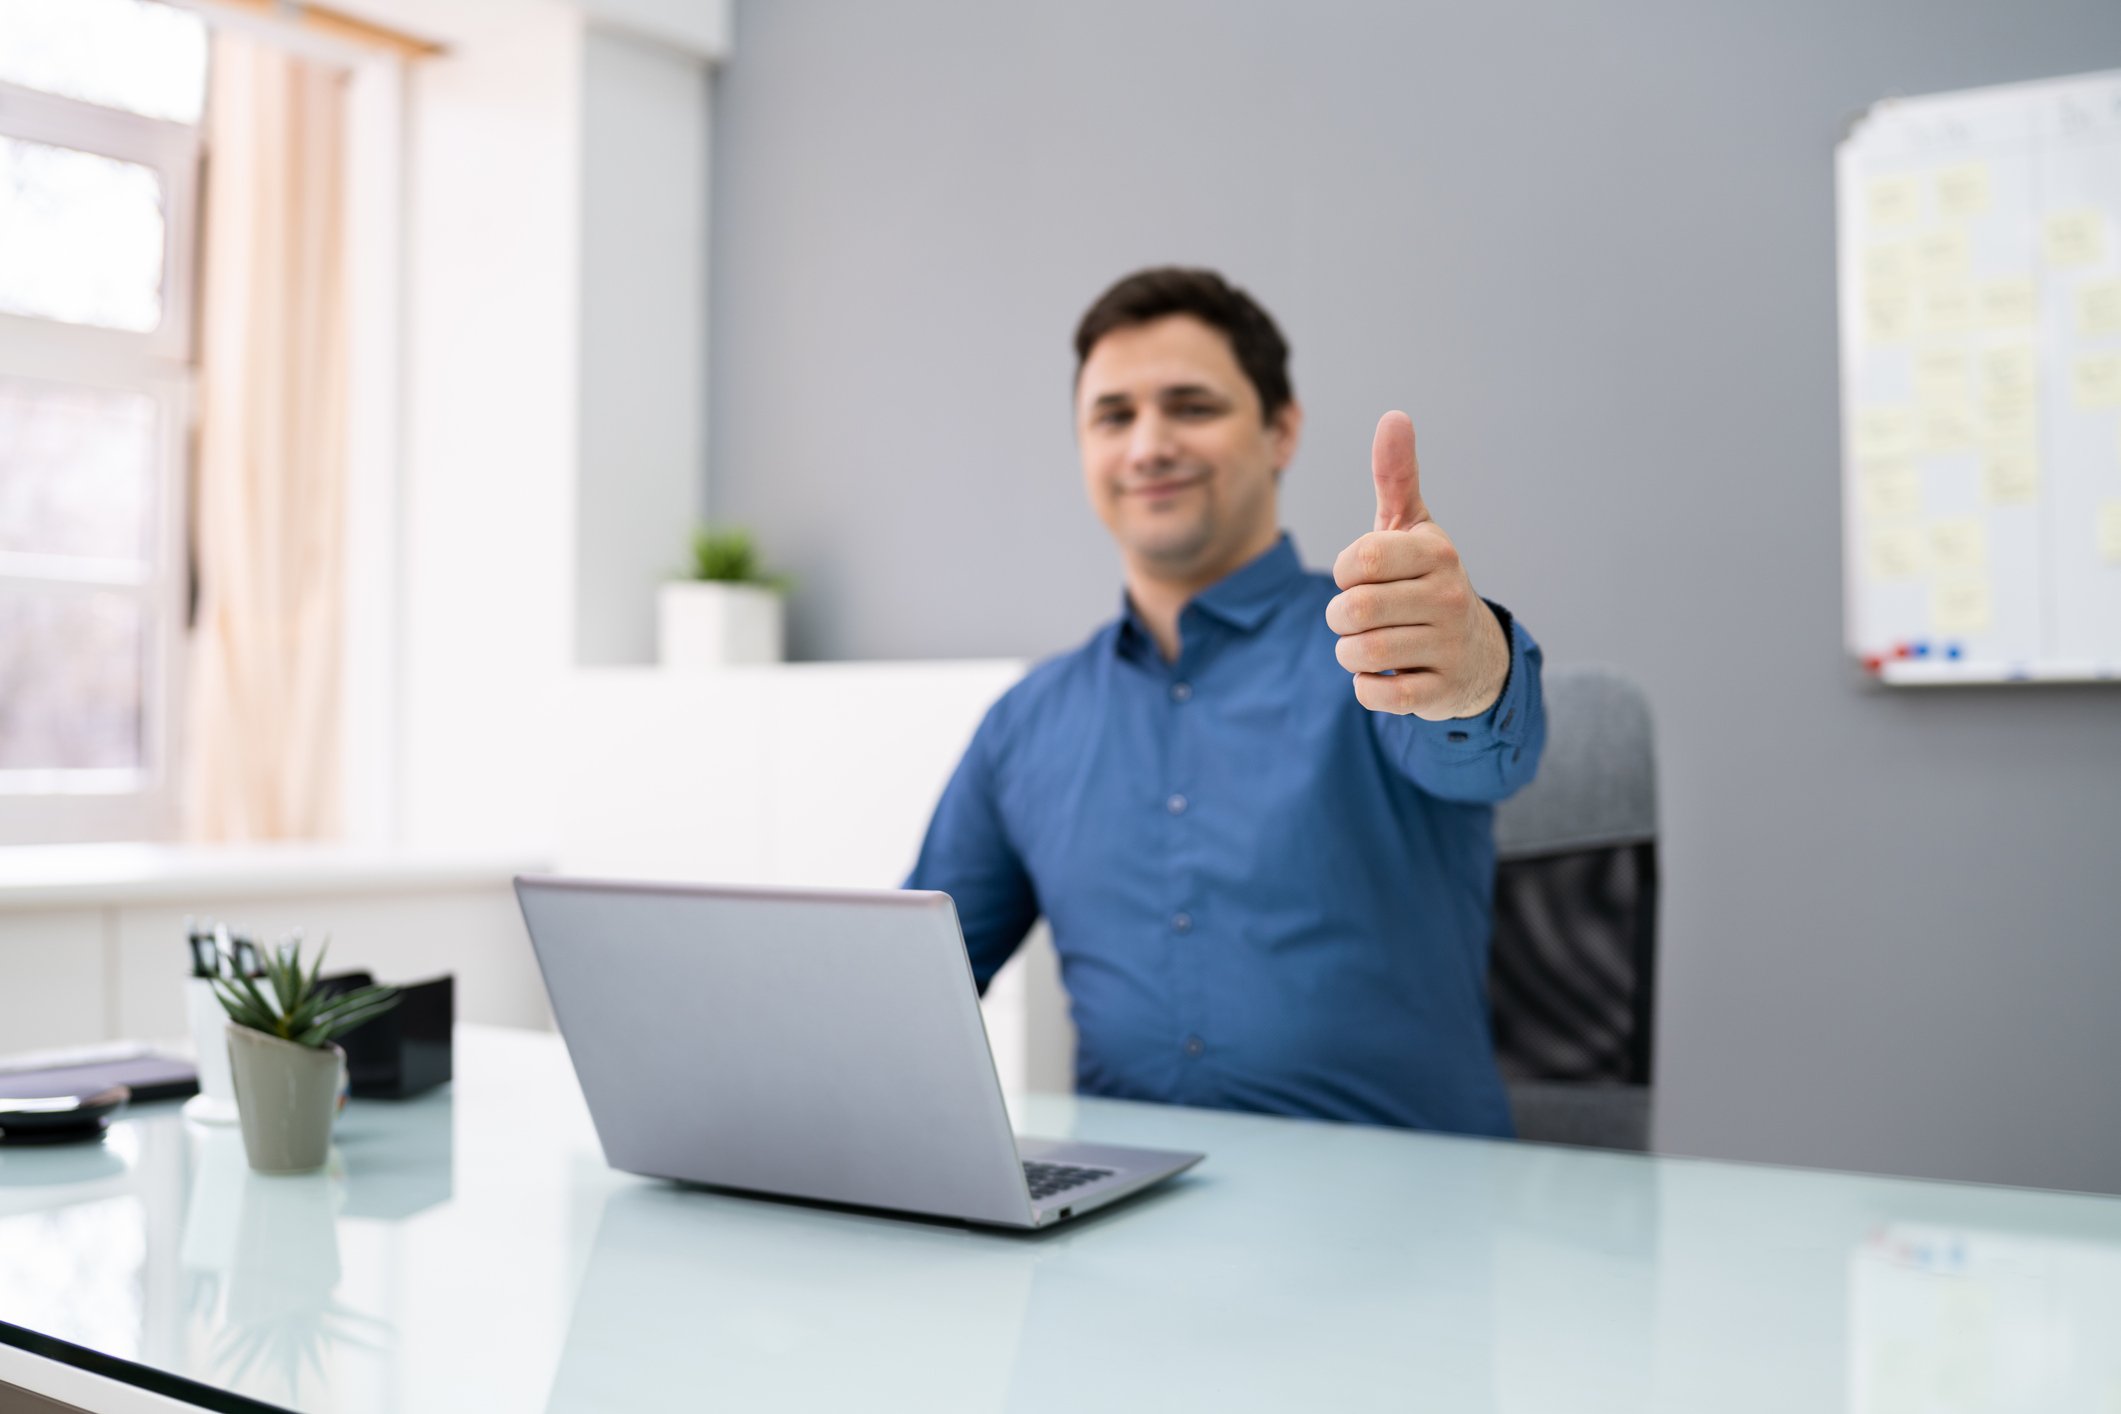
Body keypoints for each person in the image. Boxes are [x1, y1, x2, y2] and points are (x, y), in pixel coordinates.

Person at [906, 267, 1546, 1136]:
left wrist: (1473, 670)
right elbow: (912, 990)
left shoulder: (1375, 646)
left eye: (1191, 406)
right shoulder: (1027, 722)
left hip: (1394, 1225)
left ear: (1280, 430)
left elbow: (1485, 749)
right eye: (1112, 416)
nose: (1147, 446)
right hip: (1118, 1226)